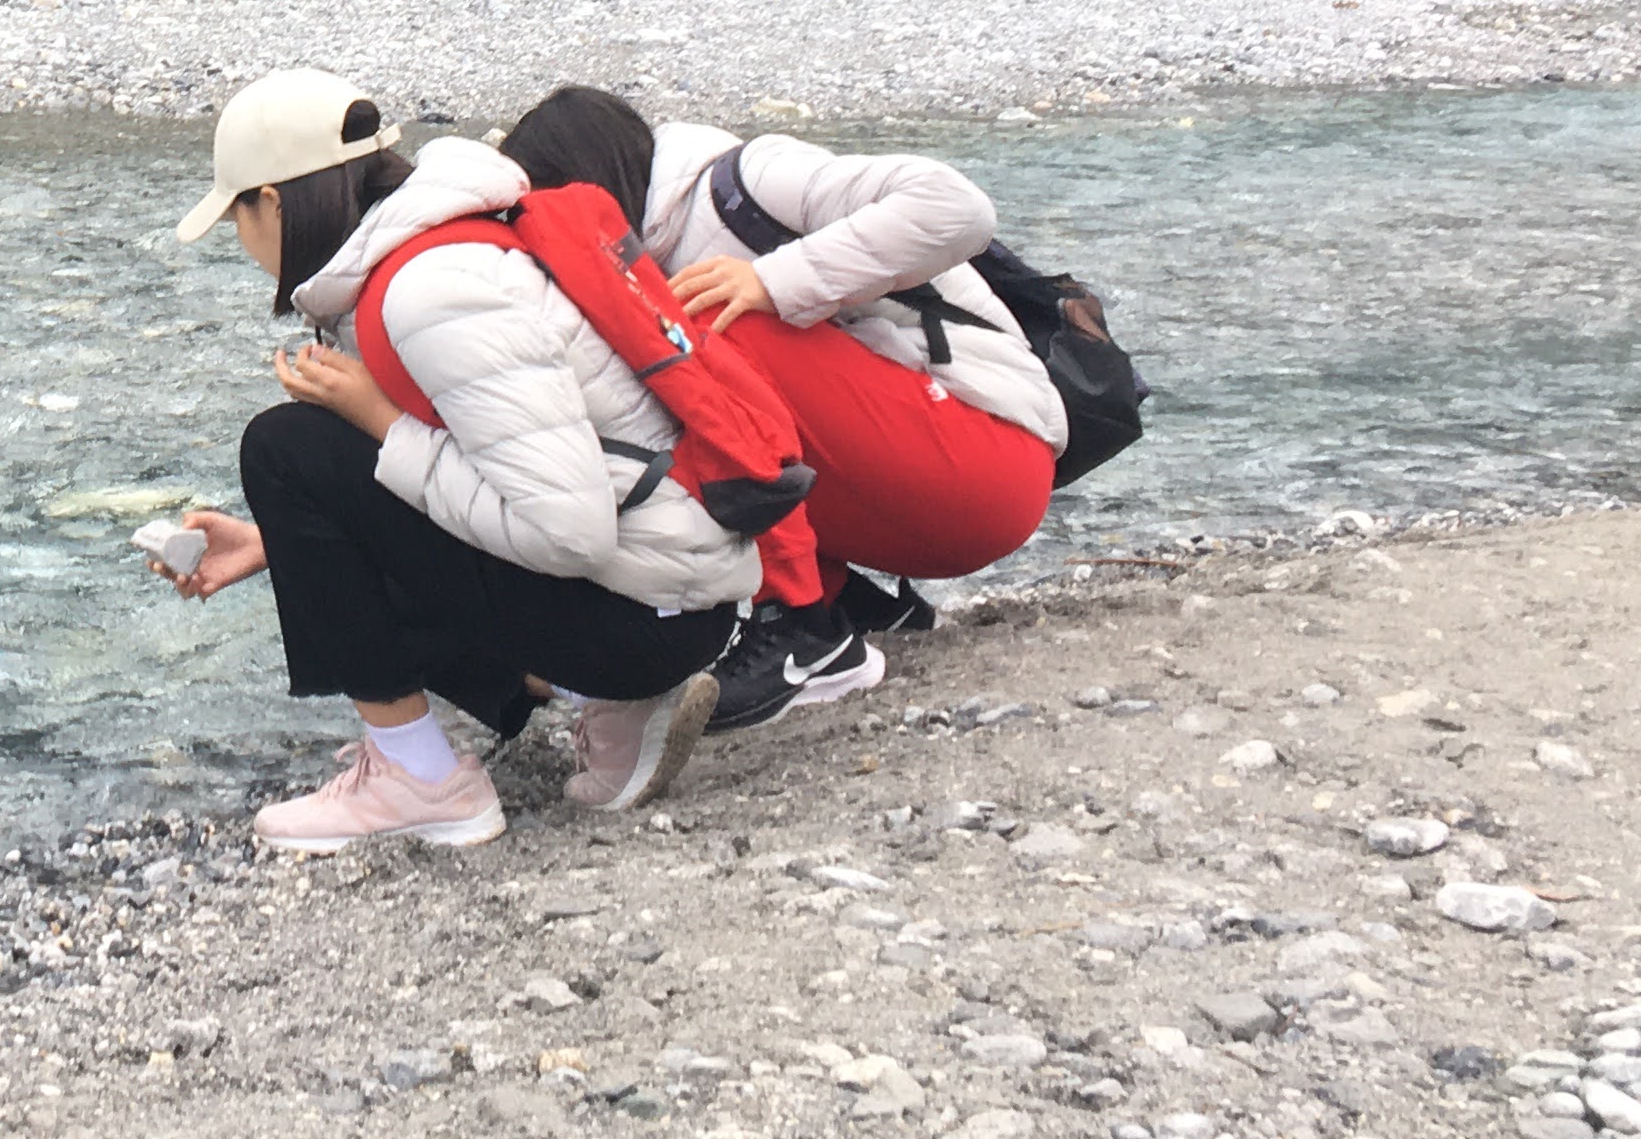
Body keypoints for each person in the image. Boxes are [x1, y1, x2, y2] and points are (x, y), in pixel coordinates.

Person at [148, 69, 767, 853]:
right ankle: (608, 706)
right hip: (674, 593)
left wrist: (376, 422)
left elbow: (570, 532)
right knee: (322, 470)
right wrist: (284, 545)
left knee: (286, 449)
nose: (239, 243)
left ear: (270, 202)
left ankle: (420, 778)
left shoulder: (428, 291)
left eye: (235, 214)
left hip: (641, 615)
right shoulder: (446, 239)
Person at [500, 82, 1061, 714]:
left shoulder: (749, 180)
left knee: (694, 338)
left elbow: (959, 208)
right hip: (918, 490)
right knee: (650, 364)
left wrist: (774, 281)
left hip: (992, 456)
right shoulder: (646, 249)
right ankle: (845, 603)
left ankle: (804, 631)